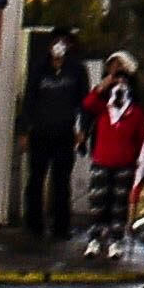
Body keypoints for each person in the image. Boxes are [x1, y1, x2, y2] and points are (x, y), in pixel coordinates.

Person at [18, 31, 89, 244]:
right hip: (40, 131)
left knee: (61, 181)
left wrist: (82, 129)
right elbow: (29, 100)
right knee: (36, 179)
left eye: (63, 43)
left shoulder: (77, 70)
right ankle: (34, 225)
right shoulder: (39, 69)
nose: (59, 47)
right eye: (55, 43)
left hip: (65, 132)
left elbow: (84, 103)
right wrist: (24, 131)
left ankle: (61, 226)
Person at [83, 54, 144, 256]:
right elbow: (88, 103)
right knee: (98, 203)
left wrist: (138, 161)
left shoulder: (136, 113)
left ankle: (116, 240)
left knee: (118, 205)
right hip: (101, 161)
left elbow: (141, 140)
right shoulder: (104, 109)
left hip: (125, 163)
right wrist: (107, 83)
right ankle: (95, 239)